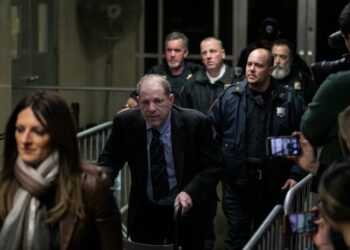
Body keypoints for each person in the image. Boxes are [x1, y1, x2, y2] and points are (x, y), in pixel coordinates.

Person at [97, 74, 223, 249]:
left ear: (170, 99)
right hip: (147, 208)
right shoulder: (126, 122)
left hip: (186, 208)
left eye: (158, 101)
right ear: (138, 101)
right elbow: (109, 161)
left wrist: (190, 192)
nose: (151, 108)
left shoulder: (195, 123)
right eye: (145, 102)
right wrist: (97, 185)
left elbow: (213, 166)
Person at [208, 48, 306, 249]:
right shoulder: (230, 97)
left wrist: (296, 175)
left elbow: (303, 141)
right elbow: (211, 136)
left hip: (273, 185)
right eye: (249, 64)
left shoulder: (289, 100)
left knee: (269, 241)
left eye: (258, 65)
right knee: (236, 239)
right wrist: (218, 170)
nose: (251, 69)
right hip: (236, 186)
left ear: (271, 68)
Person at [0, 91, 123, 250]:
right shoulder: (6, 183)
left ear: (58, 134)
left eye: (38, 131)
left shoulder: (92, 186)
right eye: (20, 129)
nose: (25, 140)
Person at [300, 2, 350, 189]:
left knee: (294, 220)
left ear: (348, 39)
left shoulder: (339, 84)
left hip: (340, 198)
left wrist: (314, 167)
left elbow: (309, 129)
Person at [125, 31, 203, 108]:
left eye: (177, 50)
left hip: (188, 117)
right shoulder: (155, 72)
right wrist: (127, 108)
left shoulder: (196, 71)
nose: (172, 55)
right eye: (169, 50)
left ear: (185, 53)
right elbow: (135, 96)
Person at [177, 37, 238, 114]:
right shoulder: (191, 84)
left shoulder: (236, 81)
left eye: (212, 51)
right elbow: (182, 115)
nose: (208, 56)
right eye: (204, 53)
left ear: (223, 54)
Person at [236, 17, 311, 79]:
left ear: (278, 34)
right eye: (264, 38)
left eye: (270, 39)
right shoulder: (250, 51)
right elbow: (238, 74)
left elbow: (304, 71)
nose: (266, 42)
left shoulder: (284, 50)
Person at [271, 39, 318, 105]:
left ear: (291, 59)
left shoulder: (302, 79)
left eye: (283, 57)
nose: (277, 61)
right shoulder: (263, 77)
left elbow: (317, 104)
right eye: (274, 56)